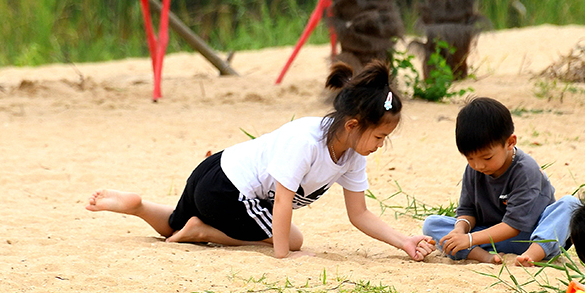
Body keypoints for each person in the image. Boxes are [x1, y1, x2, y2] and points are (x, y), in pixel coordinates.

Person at [87, 61, 434, 261]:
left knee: (174, 224)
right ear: (354, 125)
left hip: (214, 175)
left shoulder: (352, 154)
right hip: (228, 189)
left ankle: (140, 207)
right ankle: (203, 231)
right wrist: (283, 256)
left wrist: (403, 241)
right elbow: (283, 201)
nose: (380, 145)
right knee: (294, 238)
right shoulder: (307, 140)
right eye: (379, 137)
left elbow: (359, 214)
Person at [422, 97, 581, 264]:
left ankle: (532, 256)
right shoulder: (473, 169)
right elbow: (467, 211)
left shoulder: (525, 170)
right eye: (470, 158)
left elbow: (514, 226)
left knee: (570, 205)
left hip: (529, 236)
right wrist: (459, 231)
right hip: (487, 237)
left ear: (510, 142)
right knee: (432, 224)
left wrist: (469, 239)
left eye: (487, 157)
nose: (479, 165)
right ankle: (483, 257)